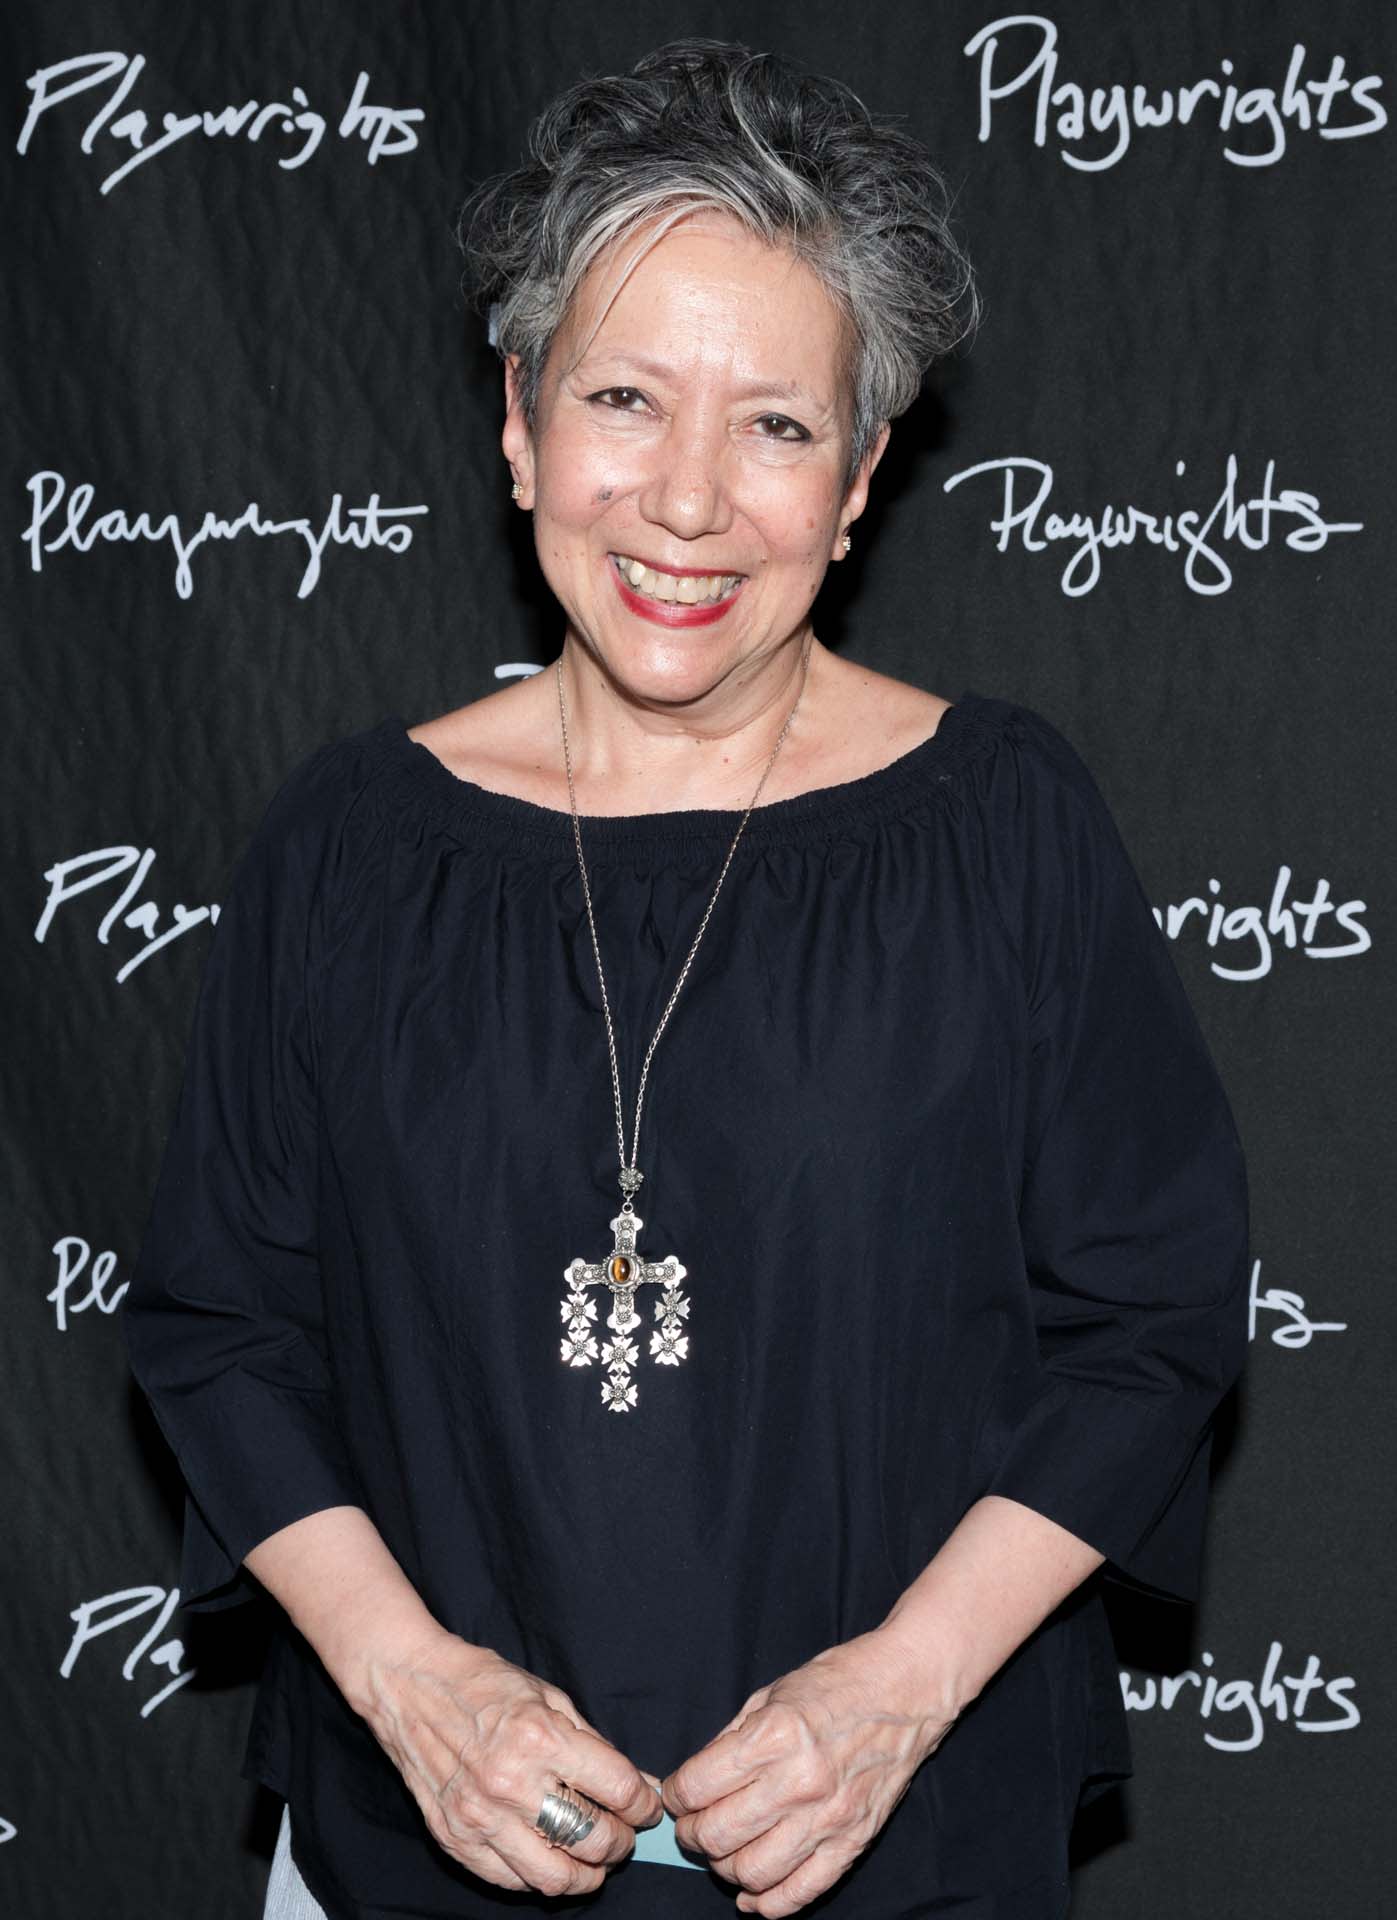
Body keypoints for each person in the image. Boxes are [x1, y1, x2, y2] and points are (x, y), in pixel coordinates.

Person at [122, 37, 1250, 1920]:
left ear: (862, 475)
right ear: (518, 422)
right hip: (415, 1859)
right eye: (624, 399)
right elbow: (222, 1324)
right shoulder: (347, 844)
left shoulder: (1000, 824)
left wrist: (895, 1698)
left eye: (777, 427)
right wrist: (409, 1688)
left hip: (900, 1858)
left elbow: (1150, 1315)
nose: (686, 501)